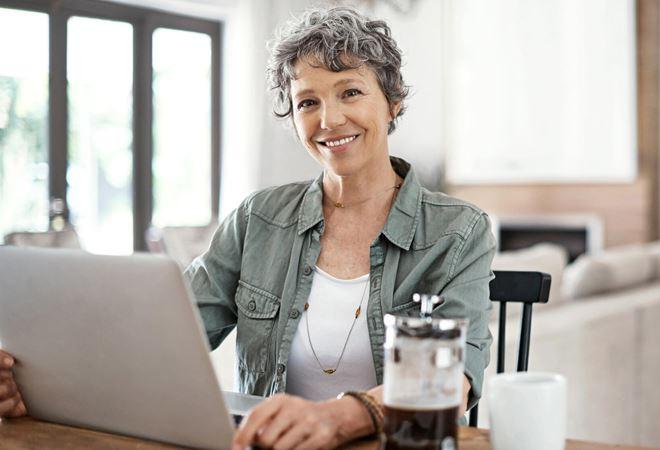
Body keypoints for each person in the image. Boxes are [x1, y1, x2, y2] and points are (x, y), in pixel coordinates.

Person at [0, 6, 494, 450]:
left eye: (351, 92)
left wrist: (338, 419)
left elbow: (456, 380)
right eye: (307, 102)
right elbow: (164, 336)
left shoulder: (458, 231)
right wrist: (46, 386)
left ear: (392, 103)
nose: (330, 118)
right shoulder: (257, 218)